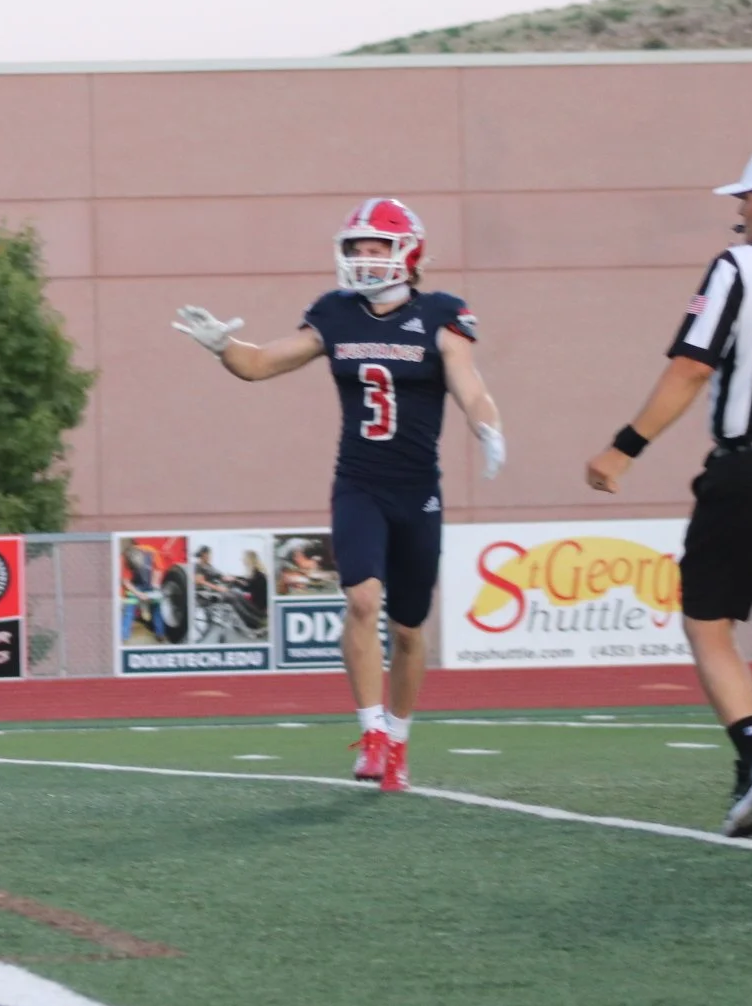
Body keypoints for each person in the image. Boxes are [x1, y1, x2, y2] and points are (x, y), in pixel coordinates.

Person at [174, 198, 505, 792]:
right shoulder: (337, 313)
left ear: (408, 253)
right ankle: (371, 733)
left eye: (377, 247)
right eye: (357, 247)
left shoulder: (441, 314)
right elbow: (261, 363)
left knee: (408, 630)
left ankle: (399, 738)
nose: (364, 257)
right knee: (360, 600)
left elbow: (468, 383)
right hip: (359, 484)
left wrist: (487, 426)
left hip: (417, 491)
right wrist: (223, 347)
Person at [585, 147, 752, 840]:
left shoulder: (740, 265)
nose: (741, 209)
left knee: (708, 621)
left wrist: (623, 448)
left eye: (747, 198)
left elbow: (690, 368)